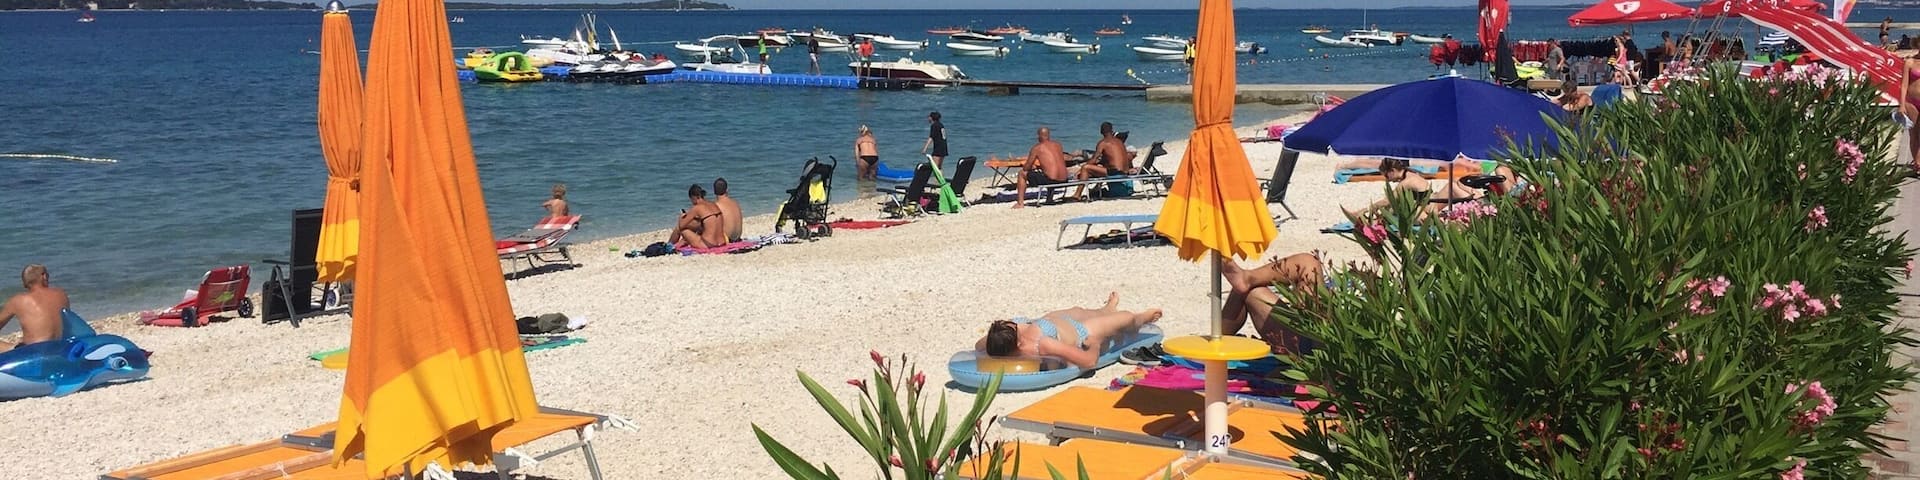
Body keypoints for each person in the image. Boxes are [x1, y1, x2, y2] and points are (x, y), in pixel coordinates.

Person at [975, 292, 1163, 369]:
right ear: (1018, 342)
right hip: (1081, 332)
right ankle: (1142, 317)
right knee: (1127, 318)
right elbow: (1089, 361)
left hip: (1052, 321)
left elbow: (979, 345)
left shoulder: (993, 343)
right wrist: (1095, 344)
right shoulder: (1042, 345)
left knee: (1082, 310)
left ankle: (1107, 308)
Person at [1218, 253, 1323, 355]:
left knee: (1245, 290)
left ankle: (1219, 339)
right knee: (1309, 262)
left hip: (1317, 347)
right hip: (1307, 331)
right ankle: (1248, 279)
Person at [0, 265, 69, 351]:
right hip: (61, 348)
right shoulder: (61, 294)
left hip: (34, 352)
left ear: (25, 283)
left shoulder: (18, 300)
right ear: (44, 276)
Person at [1341, 158, 1431, 218]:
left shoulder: (1406, 183)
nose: (1388, 180)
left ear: (1392, 171)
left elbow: (1387, 201)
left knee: (1391, 207)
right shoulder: (1412, 173)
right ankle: (1362, 214)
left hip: (1423, 214)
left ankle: (1361, 214)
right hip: (1428, 208)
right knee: (1395, 204)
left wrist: (1369, 208)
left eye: (1387, 176)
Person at [1013, 126, 1070, 209]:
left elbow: (1026, 168)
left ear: (1039, 136)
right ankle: (1049, 199)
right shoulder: (1058, 145)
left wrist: (1031, 167)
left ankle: (1020, 203)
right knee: (1048, 174)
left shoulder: (1037, 148)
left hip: (1051, 181)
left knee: (1022, 173)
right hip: (1064, 180)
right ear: (1048, 135)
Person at [670, 184, 727, 249]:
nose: (692, 203)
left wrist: (681, 217)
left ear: (694, 197)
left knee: (680, 228)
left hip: (708, 245)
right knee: (699, 228)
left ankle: (669, 246)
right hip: (722, 243)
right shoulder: (713, 204)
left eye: (691, 200)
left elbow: (681, 225)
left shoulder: (697, 207)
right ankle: (679, 243)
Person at [713, 178, 743, 242]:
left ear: (714, 191)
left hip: (727, 240)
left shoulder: (716, 206)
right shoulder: (735, 203)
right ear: (727, 190)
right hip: (737, 238)